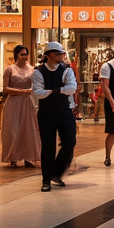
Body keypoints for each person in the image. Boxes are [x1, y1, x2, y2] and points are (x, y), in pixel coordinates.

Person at [32, 42, 79, 192]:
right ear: (49, 55)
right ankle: (46, 179)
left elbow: (72, 88)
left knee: (70, 142)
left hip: (65, 111)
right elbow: (37, 92)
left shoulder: (66, 70)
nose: (61, 56)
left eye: (61, 54)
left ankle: (56, 172)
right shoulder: (38, 72)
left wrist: (53, 90)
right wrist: (59, 90)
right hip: (46, 112)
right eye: (58, 53)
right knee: (48, 146)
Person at [0, 45, 40, 168]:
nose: (24, 57)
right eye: (22, 54)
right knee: (12, 129)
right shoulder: (10, 69)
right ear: (16, 54)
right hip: (13, 102)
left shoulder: (32, 70)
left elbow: (35, 86)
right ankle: (12, 157)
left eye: (26, 54)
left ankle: (29, 156)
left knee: (28, 129)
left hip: (27, 102)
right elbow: (5, 89)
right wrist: (22, 91)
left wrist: (30, 92)